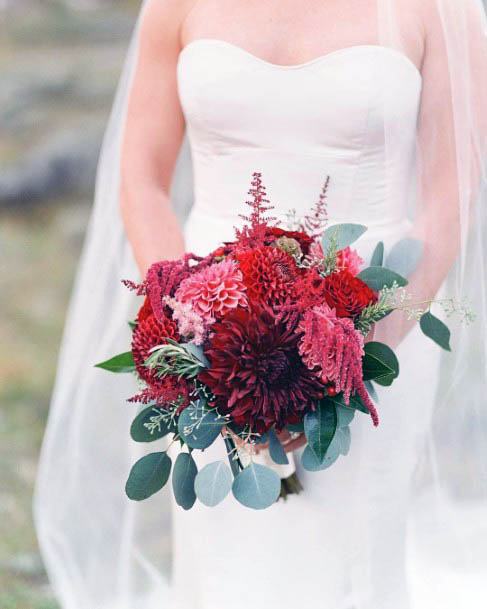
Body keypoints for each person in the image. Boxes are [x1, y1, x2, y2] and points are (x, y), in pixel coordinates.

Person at [35, 1, 487, 608]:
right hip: (209, 333)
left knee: (349, 560)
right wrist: (184, 324)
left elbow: (451, 195)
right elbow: (140, 175)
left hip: (375, 321)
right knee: (227, 557)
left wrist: (354, 361)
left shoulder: (437, 9)